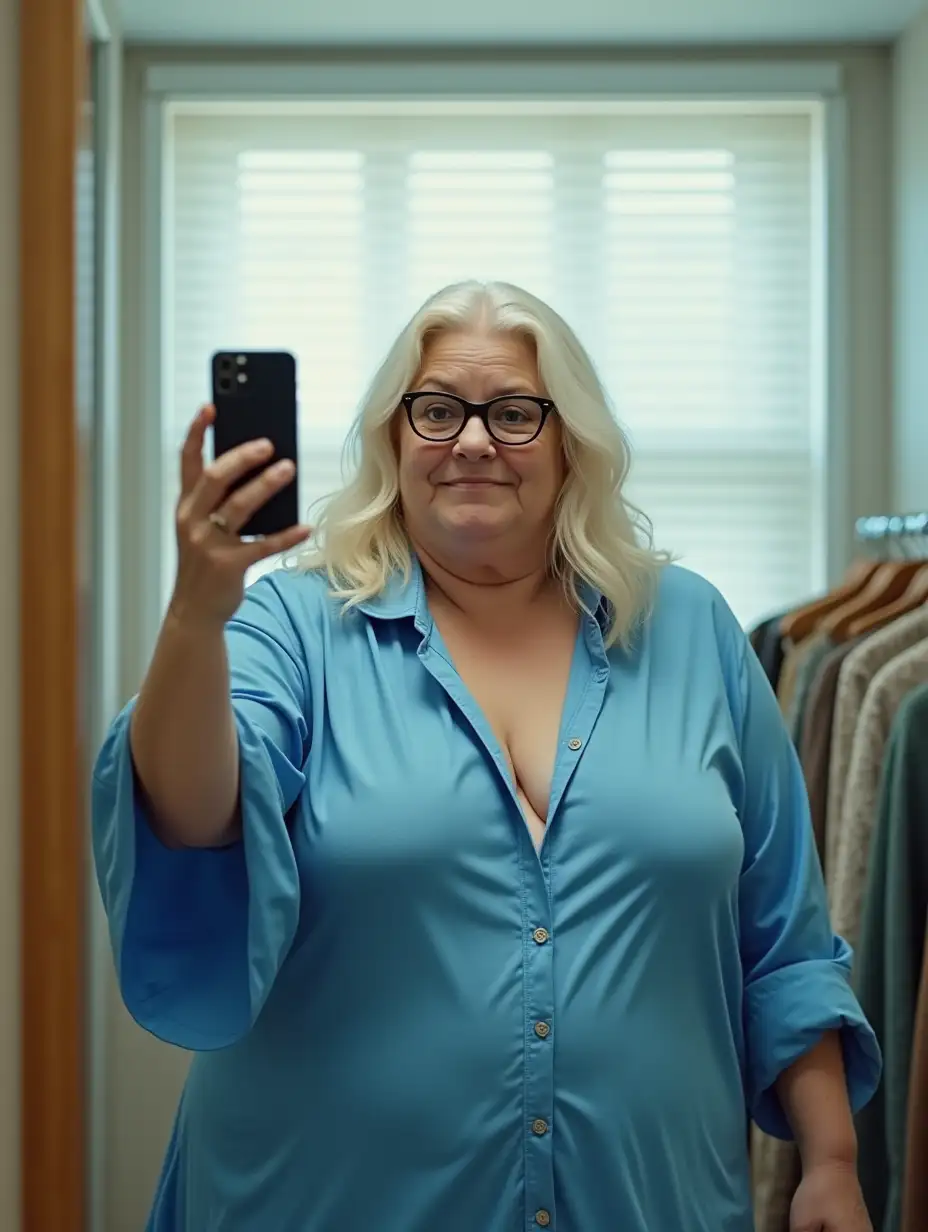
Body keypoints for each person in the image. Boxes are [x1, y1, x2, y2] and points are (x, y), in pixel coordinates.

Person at [92, 280, 881, 1232]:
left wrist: (829, 1160)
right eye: (437, 410)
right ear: (394, 438)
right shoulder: (295, 626)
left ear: (568, 442)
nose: (472, 441)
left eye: (512, 413)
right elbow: (190, 812)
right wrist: (196, 617)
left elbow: (783, 934)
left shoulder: (693, 630)